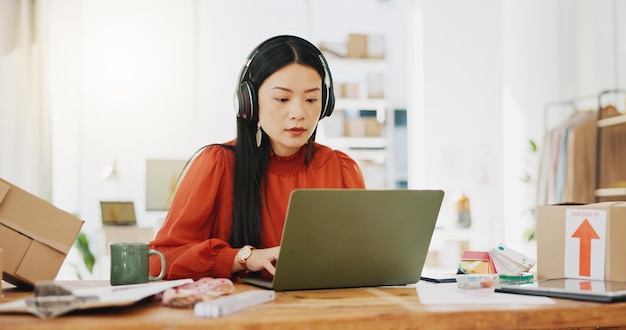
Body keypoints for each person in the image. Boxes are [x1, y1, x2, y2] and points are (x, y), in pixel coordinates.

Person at [149, 35, 366, 281]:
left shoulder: (341, 168)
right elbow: (161, 261)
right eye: (282, 99)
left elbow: (362, 257)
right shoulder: (217, 165)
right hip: (239, 315)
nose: (299, 113)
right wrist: (243, 258)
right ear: (249, 102)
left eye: (311, 99)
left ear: (325, 103)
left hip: (324, 312)